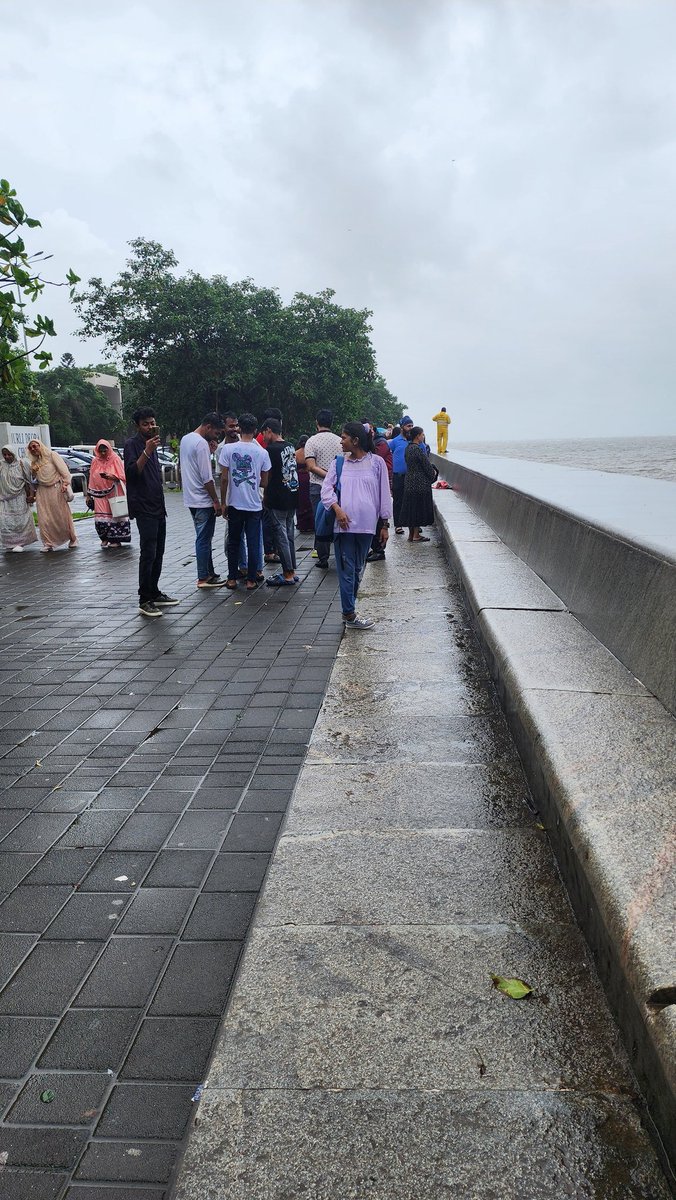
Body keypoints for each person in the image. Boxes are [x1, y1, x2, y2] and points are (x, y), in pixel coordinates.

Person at [320, 421, 391, 630]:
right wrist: (337, 509)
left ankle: (349, 610)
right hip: (343, 527)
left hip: (367, 527)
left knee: (357, 568)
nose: (341, 441)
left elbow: (384, 494)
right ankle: (349, 614)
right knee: (346, 569)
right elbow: (327, 490)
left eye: (344, 437)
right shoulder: (339, 463)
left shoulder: (377, 463)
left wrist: (385, 524)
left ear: (356, 440)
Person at [124, 407, 179, 618]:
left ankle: (154, 592)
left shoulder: (154, 444)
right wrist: (146, 452)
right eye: (145, 423)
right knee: (148, 553)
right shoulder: (133, 445)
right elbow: (131, 473)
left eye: (152, 422)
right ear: (138, 425)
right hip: (143, 506)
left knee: (158, 552)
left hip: (158, 505)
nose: (150, 426)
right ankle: (144, 598)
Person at [219, 412, 270, 591]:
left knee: (234, 541)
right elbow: (265, 481)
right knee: (253, 542)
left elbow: (224, 479)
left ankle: (232, 578)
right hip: (254, 504)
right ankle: (251, 580)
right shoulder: (262, 452)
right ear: (256, 430)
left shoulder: (227, 450)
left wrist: (223, 502)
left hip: (234, 503)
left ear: (240, 428)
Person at [180, 412, 226, 589]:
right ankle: (203, 576)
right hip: (203, 499)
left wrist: (211, 451)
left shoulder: (186, 439)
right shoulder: (200, 444)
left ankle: (210, 573)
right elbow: (207, 477)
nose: (217, 437)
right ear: (208, 427)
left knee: (204, 537)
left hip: (191, 498)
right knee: (204, 539)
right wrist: (216, 500)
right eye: (216, 433)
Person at [262, 418, 300, 587]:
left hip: (277, 497)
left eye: (264, 433)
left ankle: (287, 574)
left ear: (269, 430)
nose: (264, 437)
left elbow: (268, 476)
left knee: (281, 535)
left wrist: (265, 496)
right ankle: (293, 570)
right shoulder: (290, 446)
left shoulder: (270, 449)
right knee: (289, 534)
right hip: (292, 494)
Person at [304, 409, 342, 569]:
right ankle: (341, 554)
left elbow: (311, 466)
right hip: (338, 487)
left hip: (317, 487)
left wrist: (327, 476)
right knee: (338, 520)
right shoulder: (341, 441)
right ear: (331, 423)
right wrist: (333, 477)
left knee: (320, 521)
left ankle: (323, 558)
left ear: (317, 423)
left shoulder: (311, 441)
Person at [26, 440, 78, 552]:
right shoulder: (34, 462)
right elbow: (34, 481)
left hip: (56, 489)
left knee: (61, 516)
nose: (33, 449)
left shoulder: (52, 455)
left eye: (35, 446)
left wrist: (65, 483)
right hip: (42, 491)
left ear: (40, 445)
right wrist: (34, 473)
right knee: (44, 518)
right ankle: (48, 542)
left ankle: (72, 538)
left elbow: (64, 471)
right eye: (31, 448)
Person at [86, 439, 131, 549]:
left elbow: (123, 474)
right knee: (100, 516)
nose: (102, 453)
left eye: (104, 451)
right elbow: (92, 476)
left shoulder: (115, 459)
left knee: (115, 515)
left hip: (113, 492)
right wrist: (89, 494)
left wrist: (113, 477)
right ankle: (104, 538)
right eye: (100, 451)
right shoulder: (95, 461)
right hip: (99, 493)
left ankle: (116, 539)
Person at [400, 426, 437, 542]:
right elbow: (426, 466)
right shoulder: (418, 450)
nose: (423, 436)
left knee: (411, 508)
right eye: (422, 434)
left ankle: (411, 535)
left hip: (409, 481)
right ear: (417, 436)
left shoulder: (407, 448)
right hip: (420, 483)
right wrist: (433, 474)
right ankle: (416, 535)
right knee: (418, 509)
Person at [0, 445, 37, 552]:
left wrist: (31, 495)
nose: (7, 457)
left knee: (20, 521)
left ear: (14, 454)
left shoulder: (22, 464)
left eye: (9, 454)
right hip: (4, 499)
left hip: (19, 498)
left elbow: (29, 481)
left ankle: (21, 543)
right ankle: (10, 543)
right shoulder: (1, 464)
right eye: (5, 455)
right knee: (5, 521)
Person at [367, 425, 393, 562]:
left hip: (382, 480)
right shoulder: (378, 443)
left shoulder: (380, 444)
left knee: (379, 519)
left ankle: (379, 550)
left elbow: (378, 458)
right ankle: (375, 548)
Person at [387, 415, 414, 534]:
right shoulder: (395, 441)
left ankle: (413, 525)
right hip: (398, 476)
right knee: (398, 501)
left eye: (412, 426)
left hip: (411, 476)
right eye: (408, 426)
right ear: (402, 427)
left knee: (411, 501)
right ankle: (398, 525)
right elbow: (385, 452)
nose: (411, 428)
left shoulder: (414, 442)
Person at [295, 436, 314, 533]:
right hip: (308, 477)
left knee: (300, 501)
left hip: (299, 478)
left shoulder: (296, 453)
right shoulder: (310, 453)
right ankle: (311, 524)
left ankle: (302, 524)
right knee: (308, 500)